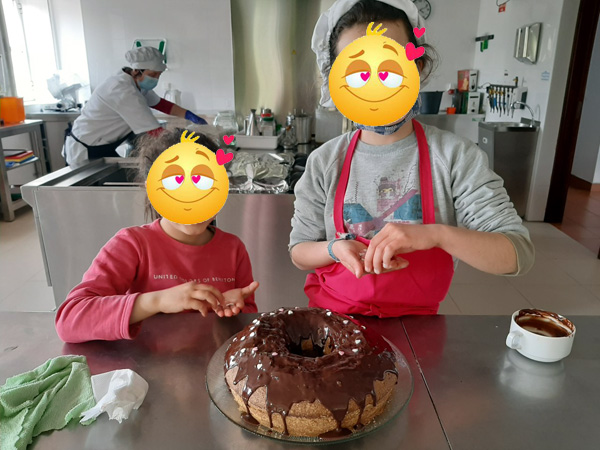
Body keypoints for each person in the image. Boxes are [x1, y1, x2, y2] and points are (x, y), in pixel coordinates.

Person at [289, 0, 534, 317]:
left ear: (417, 67)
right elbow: (299, 252)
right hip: (333, 320)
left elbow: (517, 254)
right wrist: (333, 248)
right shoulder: (325, 161)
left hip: (416, 326)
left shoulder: (454, 157)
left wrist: (436, 234)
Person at [55, 129, 258, 344]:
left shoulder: (233, 249)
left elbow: (248, 318)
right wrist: (157, 301)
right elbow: (70, 319)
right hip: (144, 362)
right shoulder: (132, 244)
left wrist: (234, 311)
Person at [63, 46, 207, 168]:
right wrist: (184, 143)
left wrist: (189, 115)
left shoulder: (136, 84)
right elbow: (155, 131)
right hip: (85, 151)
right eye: (153, 74)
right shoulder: (122, 91)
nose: (156, 78)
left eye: (159, 75)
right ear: (137, 71)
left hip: (103, 145)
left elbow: (161, 104)